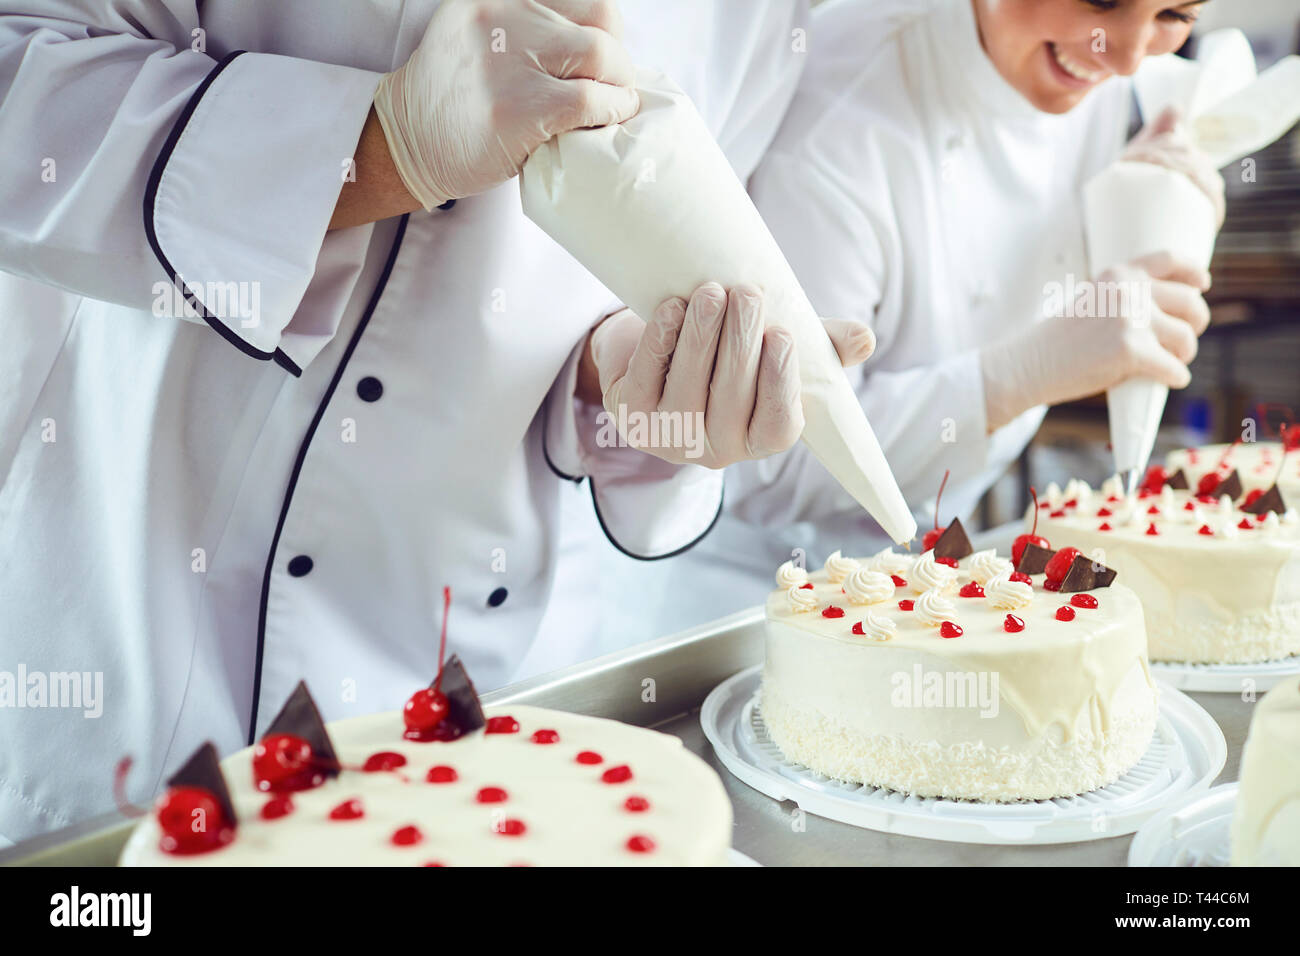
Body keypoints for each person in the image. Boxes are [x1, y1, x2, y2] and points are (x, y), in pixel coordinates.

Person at [0, 0, 879, 843]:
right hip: (126, 648)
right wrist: (374, 146)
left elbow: (598, 308)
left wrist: (623, 385)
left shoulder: (765, 20)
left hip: (457, 710)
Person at [539, 0, 1226, 642]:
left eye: (1173, 13)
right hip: (743, 602)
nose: (1131, 56)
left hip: (928, 592)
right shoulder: (849, 121)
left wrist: (1133, 202)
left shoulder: (1099, 76)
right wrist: (1016, 376)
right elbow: (769, 461)